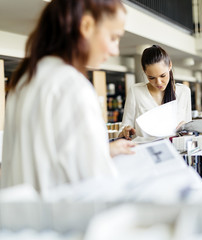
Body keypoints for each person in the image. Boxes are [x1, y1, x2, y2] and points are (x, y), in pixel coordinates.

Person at [1, 0, 135, 195]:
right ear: (87, 26)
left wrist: (104, 152)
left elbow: (45, 158)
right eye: (114, 37)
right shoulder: (72, 86)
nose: (115, 50)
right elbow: (96, 186)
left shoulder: (24, 81)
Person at [120, 45, 192, 139]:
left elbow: (189, 132)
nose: (158, 82)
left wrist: (187, 130)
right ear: (144, 71)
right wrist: (125, 131)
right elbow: (125, 127)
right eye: (151, 78)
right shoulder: (135, 91)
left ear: (170, 65)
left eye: (163, 75)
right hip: (146, 150)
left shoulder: (184, 92)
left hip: (176, 151)